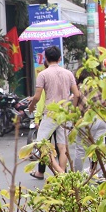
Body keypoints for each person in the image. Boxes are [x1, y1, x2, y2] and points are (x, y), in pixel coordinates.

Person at [27, 46, 80, 178]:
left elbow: (38, 96)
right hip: (64, 113)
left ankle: (60, 173)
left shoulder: (43, 74)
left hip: (50, 113)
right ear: (60, 58)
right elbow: (77, 94)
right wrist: (72, 110)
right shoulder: (68, 73)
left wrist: (32, 106)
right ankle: (62, 176)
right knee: (62, 148)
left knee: (41, 145)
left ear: (45, 59)